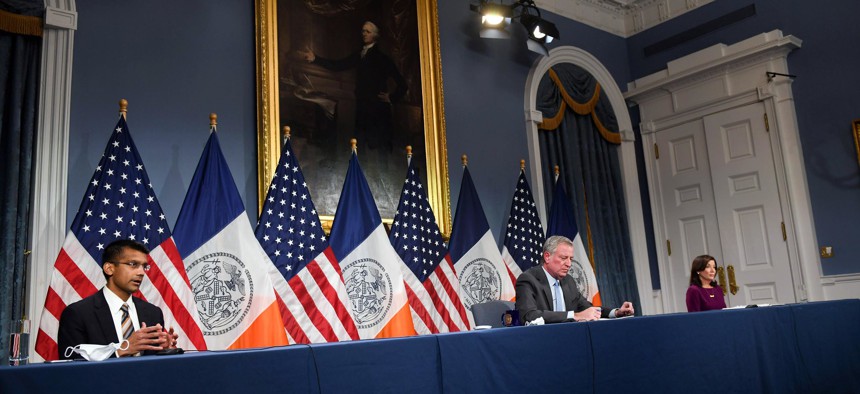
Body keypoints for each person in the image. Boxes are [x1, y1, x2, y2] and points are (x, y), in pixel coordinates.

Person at [57, 239, 179, 359]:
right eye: (133, 264)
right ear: (109, 268)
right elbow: (71, 362)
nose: (141, 272)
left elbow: (154, 364)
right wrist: (122, 350)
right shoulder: (78, 313)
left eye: (144, 266)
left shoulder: (153, 313)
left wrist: (165, 350)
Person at [297, 20, 407, 151]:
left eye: (368, 31)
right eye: (363, 31)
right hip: (361, 108)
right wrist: (315, 59)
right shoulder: (359, 54)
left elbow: (403, 84)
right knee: (359, 150)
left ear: (375, 35)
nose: (364, 34)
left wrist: (391, 98)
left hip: (378, 111)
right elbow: (338, 65)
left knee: (380, 151)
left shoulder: (383, 59)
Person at [515, 235, 635, 324]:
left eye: (571, 259)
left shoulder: (568, 281)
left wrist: (616, 312)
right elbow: (529, 315)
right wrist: (575, 316)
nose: (568, 264)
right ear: (547, 257)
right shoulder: (528, 280)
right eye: (563, 258)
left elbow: (587, 308)